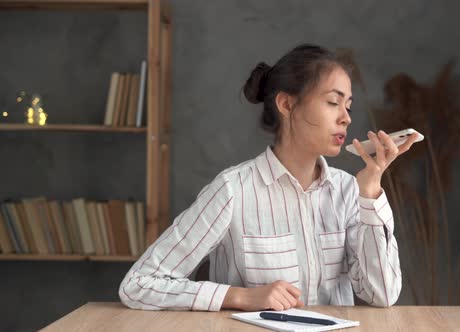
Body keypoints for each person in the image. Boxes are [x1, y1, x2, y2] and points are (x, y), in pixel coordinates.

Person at [119, 44, 420, 312]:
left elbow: (382, 294)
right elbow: (139, 284)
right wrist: (240, 297)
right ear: (287, 104)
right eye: (333, 102)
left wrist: (370, 190)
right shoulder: (232, 191)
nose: (346, 117)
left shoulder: (348, 191)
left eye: (348, 105)